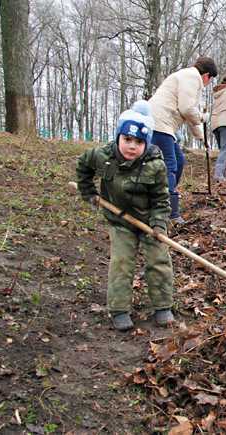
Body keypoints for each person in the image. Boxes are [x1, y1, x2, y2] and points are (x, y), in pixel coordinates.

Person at [76, 101, 175, 331]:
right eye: (127, 139)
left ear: (146, 142)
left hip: (150, 221)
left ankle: (162, 307)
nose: (132, 146)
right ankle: (119, 309)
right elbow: (83, 166)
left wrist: (159, 225)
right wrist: (88, 192)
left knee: (159, 261)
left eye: (139, 142)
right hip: (120, 221)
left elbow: (162, 200)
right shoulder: (103, 155)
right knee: (121, 262)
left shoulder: (155, 165)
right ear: (118, 136)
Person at [149, 56, 218, 223]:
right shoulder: (191, 77)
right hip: (159, 123)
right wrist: (202, 117)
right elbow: (187, 109)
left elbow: (189, 113)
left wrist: (202, 139)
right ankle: (168, 212)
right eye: (210, 80)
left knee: (179, 161)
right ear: (206, 75)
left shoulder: (189, 79)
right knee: (170, 165)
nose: (208, 84)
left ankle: (164, 196)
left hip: (165, 125)